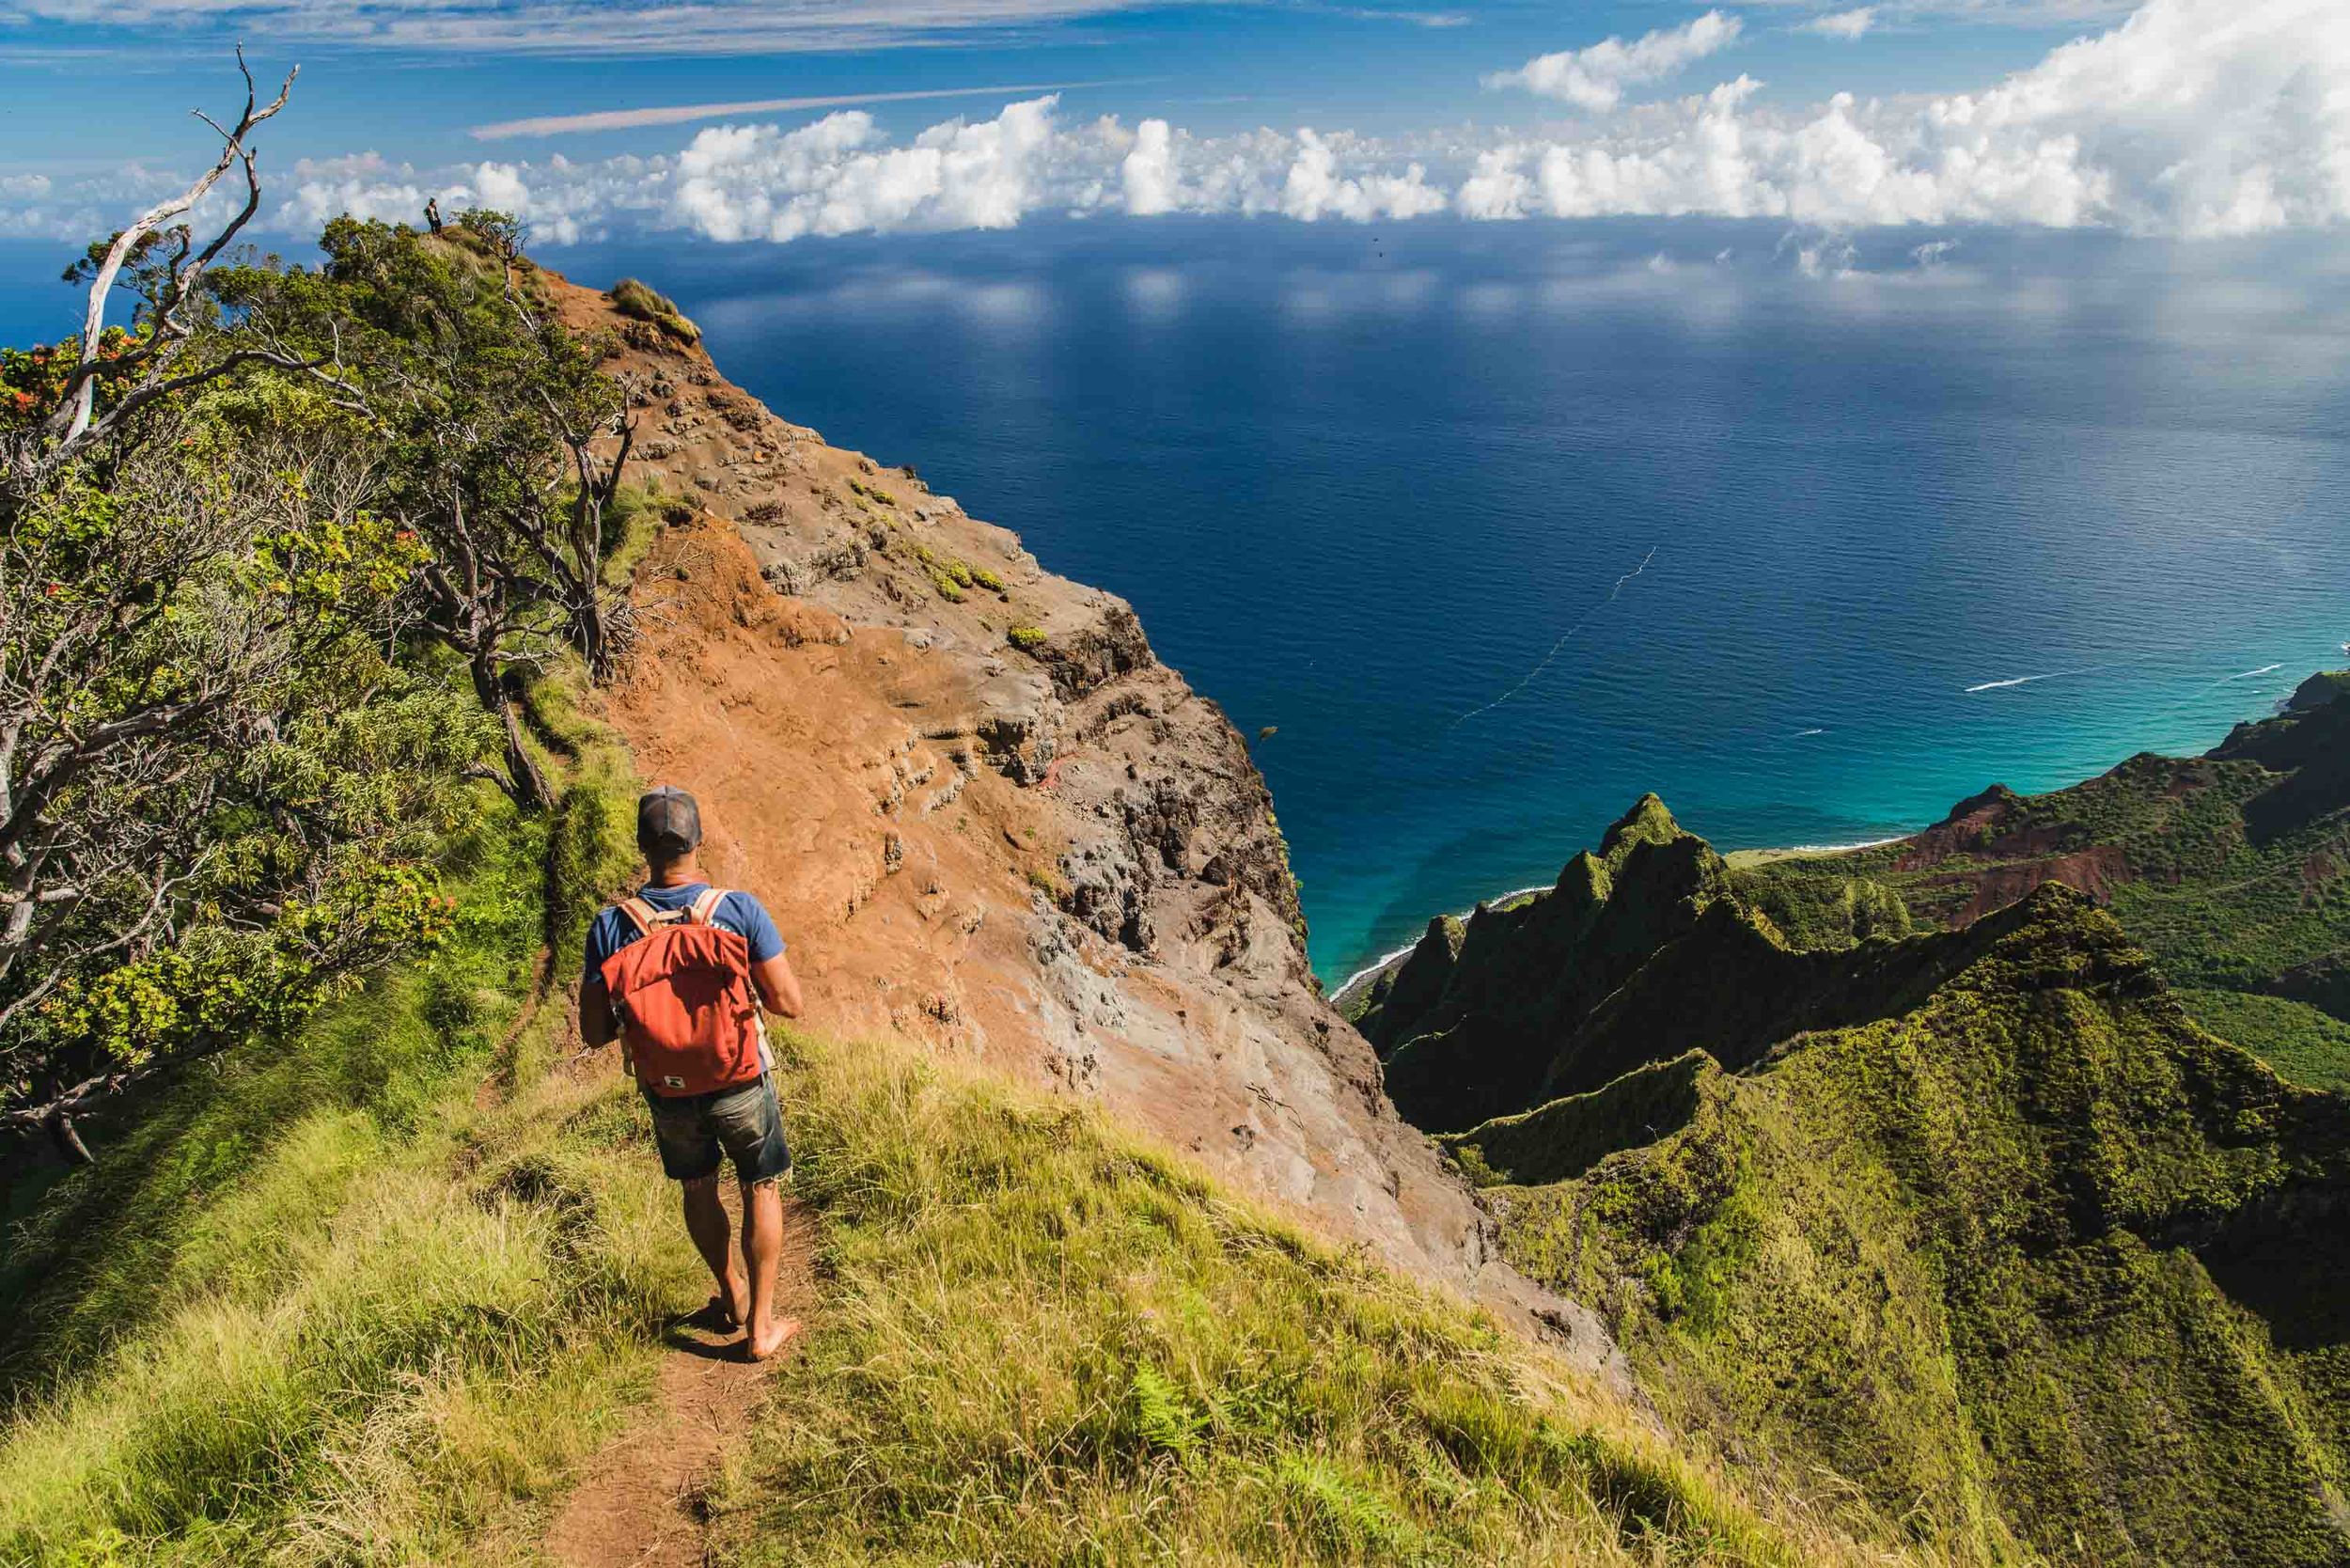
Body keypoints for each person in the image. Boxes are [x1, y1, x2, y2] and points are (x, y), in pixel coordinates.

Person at [580, 785, 807, 1361]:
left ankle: (729, 1291)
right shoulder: (738, 910)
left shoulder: (610, 927)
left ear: (641, 848)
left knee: (698, 1186)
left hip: (669, 1091)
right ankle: (760, 1328)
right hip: (740, 1077)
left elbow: (595, 1033)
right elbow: (789, 1003)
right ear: (698, 842)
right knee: (762, 1184)